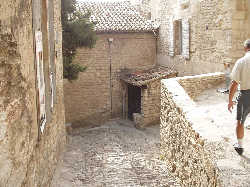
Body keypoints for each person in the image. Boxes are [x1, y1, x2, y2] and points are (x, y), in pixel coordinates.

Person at [228, 39, 250, 155]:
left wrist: (230, 100)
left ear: (246, 48)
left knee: (240, 122)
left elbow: (234, 83)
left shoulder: (241, 61)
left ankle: (240, 147)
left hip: (246, 95)